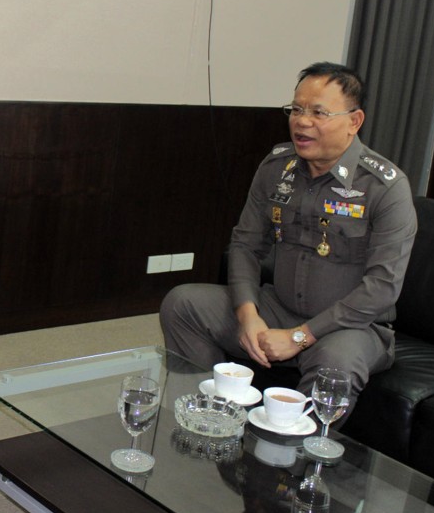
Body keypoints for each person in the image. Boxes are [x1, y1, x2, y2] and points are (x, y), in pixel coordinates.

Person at [160, 62, 416, 414]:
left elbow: (383, 287)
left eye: (318, 112)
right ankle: (210, 415)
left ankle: (292, 461)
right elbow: (246, 245)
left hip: (350, 328)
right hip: (276, 308)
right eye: (296, 109)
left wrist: (300, 336)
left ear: (354, 121)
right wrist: (248, 315)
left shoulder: (385, 187)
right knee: (184, 304)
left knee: (334, 367)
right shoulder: (276, 168)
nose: (302, 121)